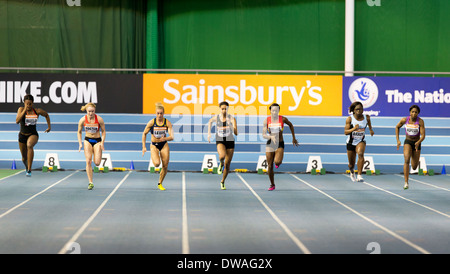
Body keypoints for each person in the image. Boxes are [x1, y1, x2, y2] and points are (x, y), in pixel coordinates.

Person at [262, 103, 299, 191]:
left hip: (280, 143)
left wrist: (293, 138)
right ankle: (272, 184)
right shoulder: (266, 120)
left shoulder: (283, 119)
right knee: (270, 166)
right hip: (270, 143)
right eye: (273, 110)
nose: (274, 112)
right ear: (270, 110)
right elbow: (263, 135)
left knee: (277, 161)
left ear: (278, 111)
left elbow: (291, 125)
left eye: (276, 110)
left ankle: (277, 163)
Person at [16, 94, 51, 177]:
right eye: (26, 104)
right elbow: (17, 121)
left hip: (33, 134)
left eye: (30, 104)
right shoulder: (21, 109)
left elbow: (46, 115)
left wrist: (49, 126)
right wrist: (24, 110)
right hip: (22, 136)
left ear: (33, 103)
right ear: (24, 103)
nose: (28, 105)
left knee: (29, 145)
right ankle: (26, 167)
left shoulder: (37, 111)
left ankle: (29, 169)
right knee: (24, 158)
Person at [142, 103, 174, 191]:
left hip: (163, 144)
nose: (159, 115)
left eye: (161, 113)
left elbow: (172, 137)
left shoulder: (167, 123)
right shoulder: (152, 122)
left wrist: (165, 138)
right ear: (155, 113)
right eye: (158, 113)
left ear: (163, 113)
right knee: (156, 164)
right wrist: (144, 147)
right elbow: (144, 134)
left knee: (165, 165)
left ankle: (160, 183)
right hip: (154, 145)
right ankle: (155, 155)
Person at [207, 101, 238, 190]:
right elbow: (210, 121)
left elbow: (236, 133)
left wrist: (231, 126)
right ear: (220, 109)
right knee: (222, 156)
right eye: (222, 109)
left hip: (230, 140)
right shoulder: (217, 118)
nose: (224, 110)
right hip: (220, 139)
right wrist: (209, 134)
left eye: (226, 109)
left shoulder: (232, 119)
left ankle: (222, 181)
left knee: (227, 164)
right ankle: (221, 163)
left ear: (228, 109)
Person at [395, 105, 425, 190]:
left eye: (416, 112)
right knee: (406, 159)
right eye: (412, 112)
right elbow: (397, 127)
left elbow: (423, 135)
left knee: (414, 166)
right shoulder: (404, 120)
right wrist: (398, 140)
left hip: (417, 143)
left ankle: (413, 154)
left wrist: (418, 142)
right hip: (407, 141)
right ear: (410, 113)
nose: (414, 113)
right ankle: (406, 182)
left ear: (418, 113)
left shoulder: (421, 121)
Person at [77, 103, 106, 190]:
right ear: (86, 111)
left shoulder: (99, 119)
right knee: (88, 161)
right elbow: (79, 132)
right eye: (89, 111)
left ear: (95, 111)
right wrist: (80, 143)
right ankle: (90, 182)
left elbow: (104, 132)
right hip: (87, 140)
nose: (91, 113)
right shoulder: (82, 120)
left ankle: (95, 152)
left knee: (97, 163)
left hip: (97, 141)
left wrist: (102, 142)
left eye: (92, 111)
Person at [344, 101, 374, 182]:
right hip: (350, 143)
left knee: (360, 154)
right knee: (351, 164)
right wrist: (354, 128)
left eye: (361, 109)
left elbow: (369, 124)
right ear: (353, 110)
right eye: (357, 109)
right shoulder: (350, 119)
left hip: (361, 141)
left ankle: (359, 175)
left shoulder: (367, 117)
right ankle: (352, 171)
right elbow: (345, 132)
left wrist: (371, 130)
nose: (359, 111)